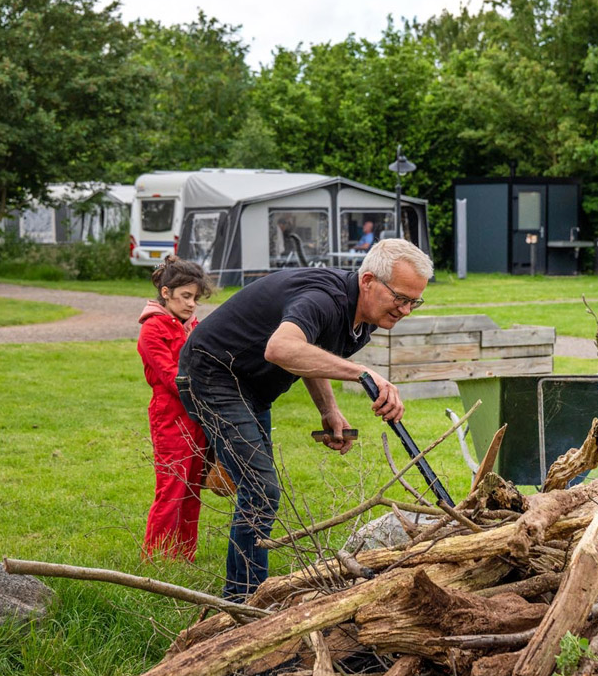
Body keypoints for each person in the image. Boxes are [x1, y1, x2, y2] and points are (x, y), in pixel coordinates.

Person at [177, 238, 433, 601]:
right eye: (401, 298)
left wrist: (328, 409)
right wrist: (363, 372)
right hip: (213, 373)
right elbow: (281, 348)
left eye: (414, 301)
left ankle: (249, 589)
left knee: (257, 489)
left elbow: (311, 353)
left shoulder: (361, 317)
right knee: (261, 490)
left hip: (249, 385)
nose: (406, 310)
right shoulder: (323, 300)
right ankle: (243, 601)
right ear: (368, 280)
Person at [137, 255, 213, 561]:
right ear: (165, 293)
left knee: (193, 487)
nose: (192, 304)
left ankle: (185, 554)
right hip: (170, 416)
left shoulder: (192, 325)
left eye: (195, 298)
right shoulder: (152, 329)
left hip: (196, 416)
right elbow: (171, 376)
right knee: (172, 487)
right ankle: (155, 557)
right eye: (185, 296)